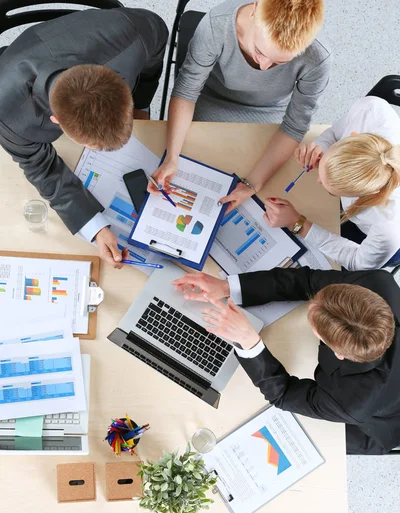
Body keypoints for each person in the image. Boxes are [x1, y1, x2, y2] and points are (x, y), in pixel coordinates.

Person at [0, 8, 168, 267]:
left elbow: (156, 46)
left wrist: (141, 107)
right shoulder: (7, 114)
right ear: (57, 123)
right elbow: (41, 168)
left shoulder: (138, 34)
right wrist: (97, 228)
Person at [172, 268, 400, 455]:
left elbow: (284, 394)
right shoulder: (376, 282)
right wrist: (227, 287)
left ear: (339, 353)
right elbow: (308, 280)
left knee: (313, 439)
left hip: (378, 426)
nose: (312, 304)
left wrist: (249, 341)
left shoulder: (349, 402)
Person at [149, 0, 331, 210]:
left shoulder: (318, 58)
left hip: (269, 115)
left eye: (279, 62)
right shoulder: (217, 24)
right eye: (259, 51)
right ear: (254, 10)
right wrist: (171, 158)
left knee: (270, 188)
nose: (264, 67)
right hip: (209, 101)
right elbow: (186, 92)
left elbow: (294, 126)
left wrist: (252, 184)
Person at [262, 96, 400, 270]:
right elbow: (334, 133)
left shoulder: (389, 226)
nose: (318, 180)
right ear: (352, 136)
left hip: (382, 246)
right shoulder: (370, 110)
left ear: (367, 192)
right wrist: (320, 146)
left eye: (332, 191)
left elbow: (357, 262)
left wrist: (298, 223)